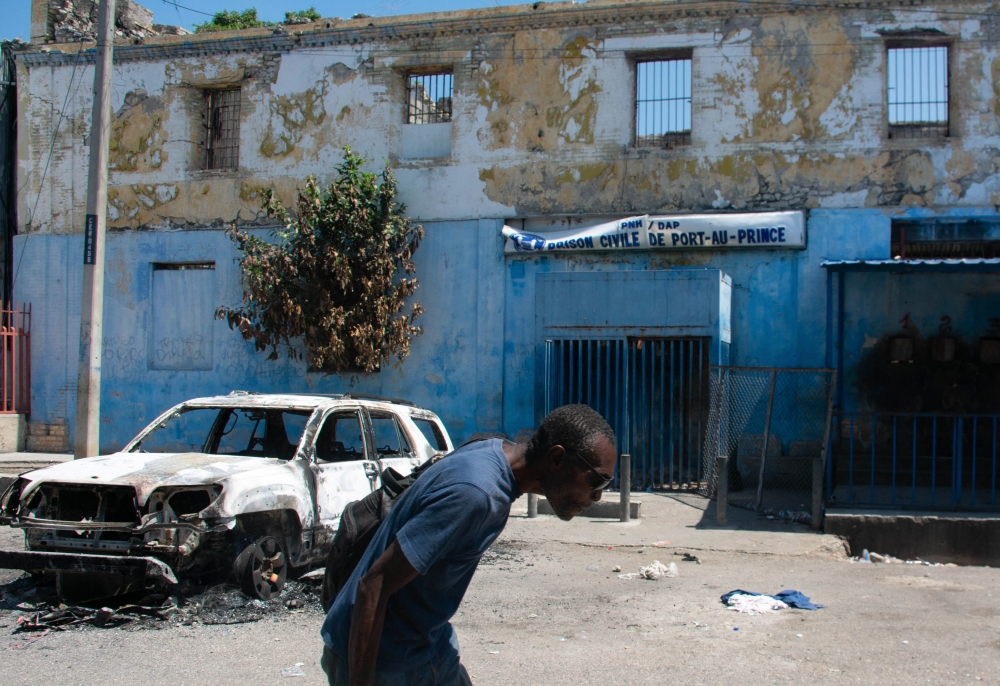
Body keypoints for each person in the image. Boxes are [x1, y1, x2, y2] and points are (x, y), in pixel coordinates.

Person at [320, 404, 617, 686]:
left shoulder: (492, 453)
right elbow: (374, 584)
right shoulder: (475, 494)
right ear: (556, 458)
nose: (597, 497)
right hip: (385, 661)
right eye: (597, 482)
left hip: (429, 646)